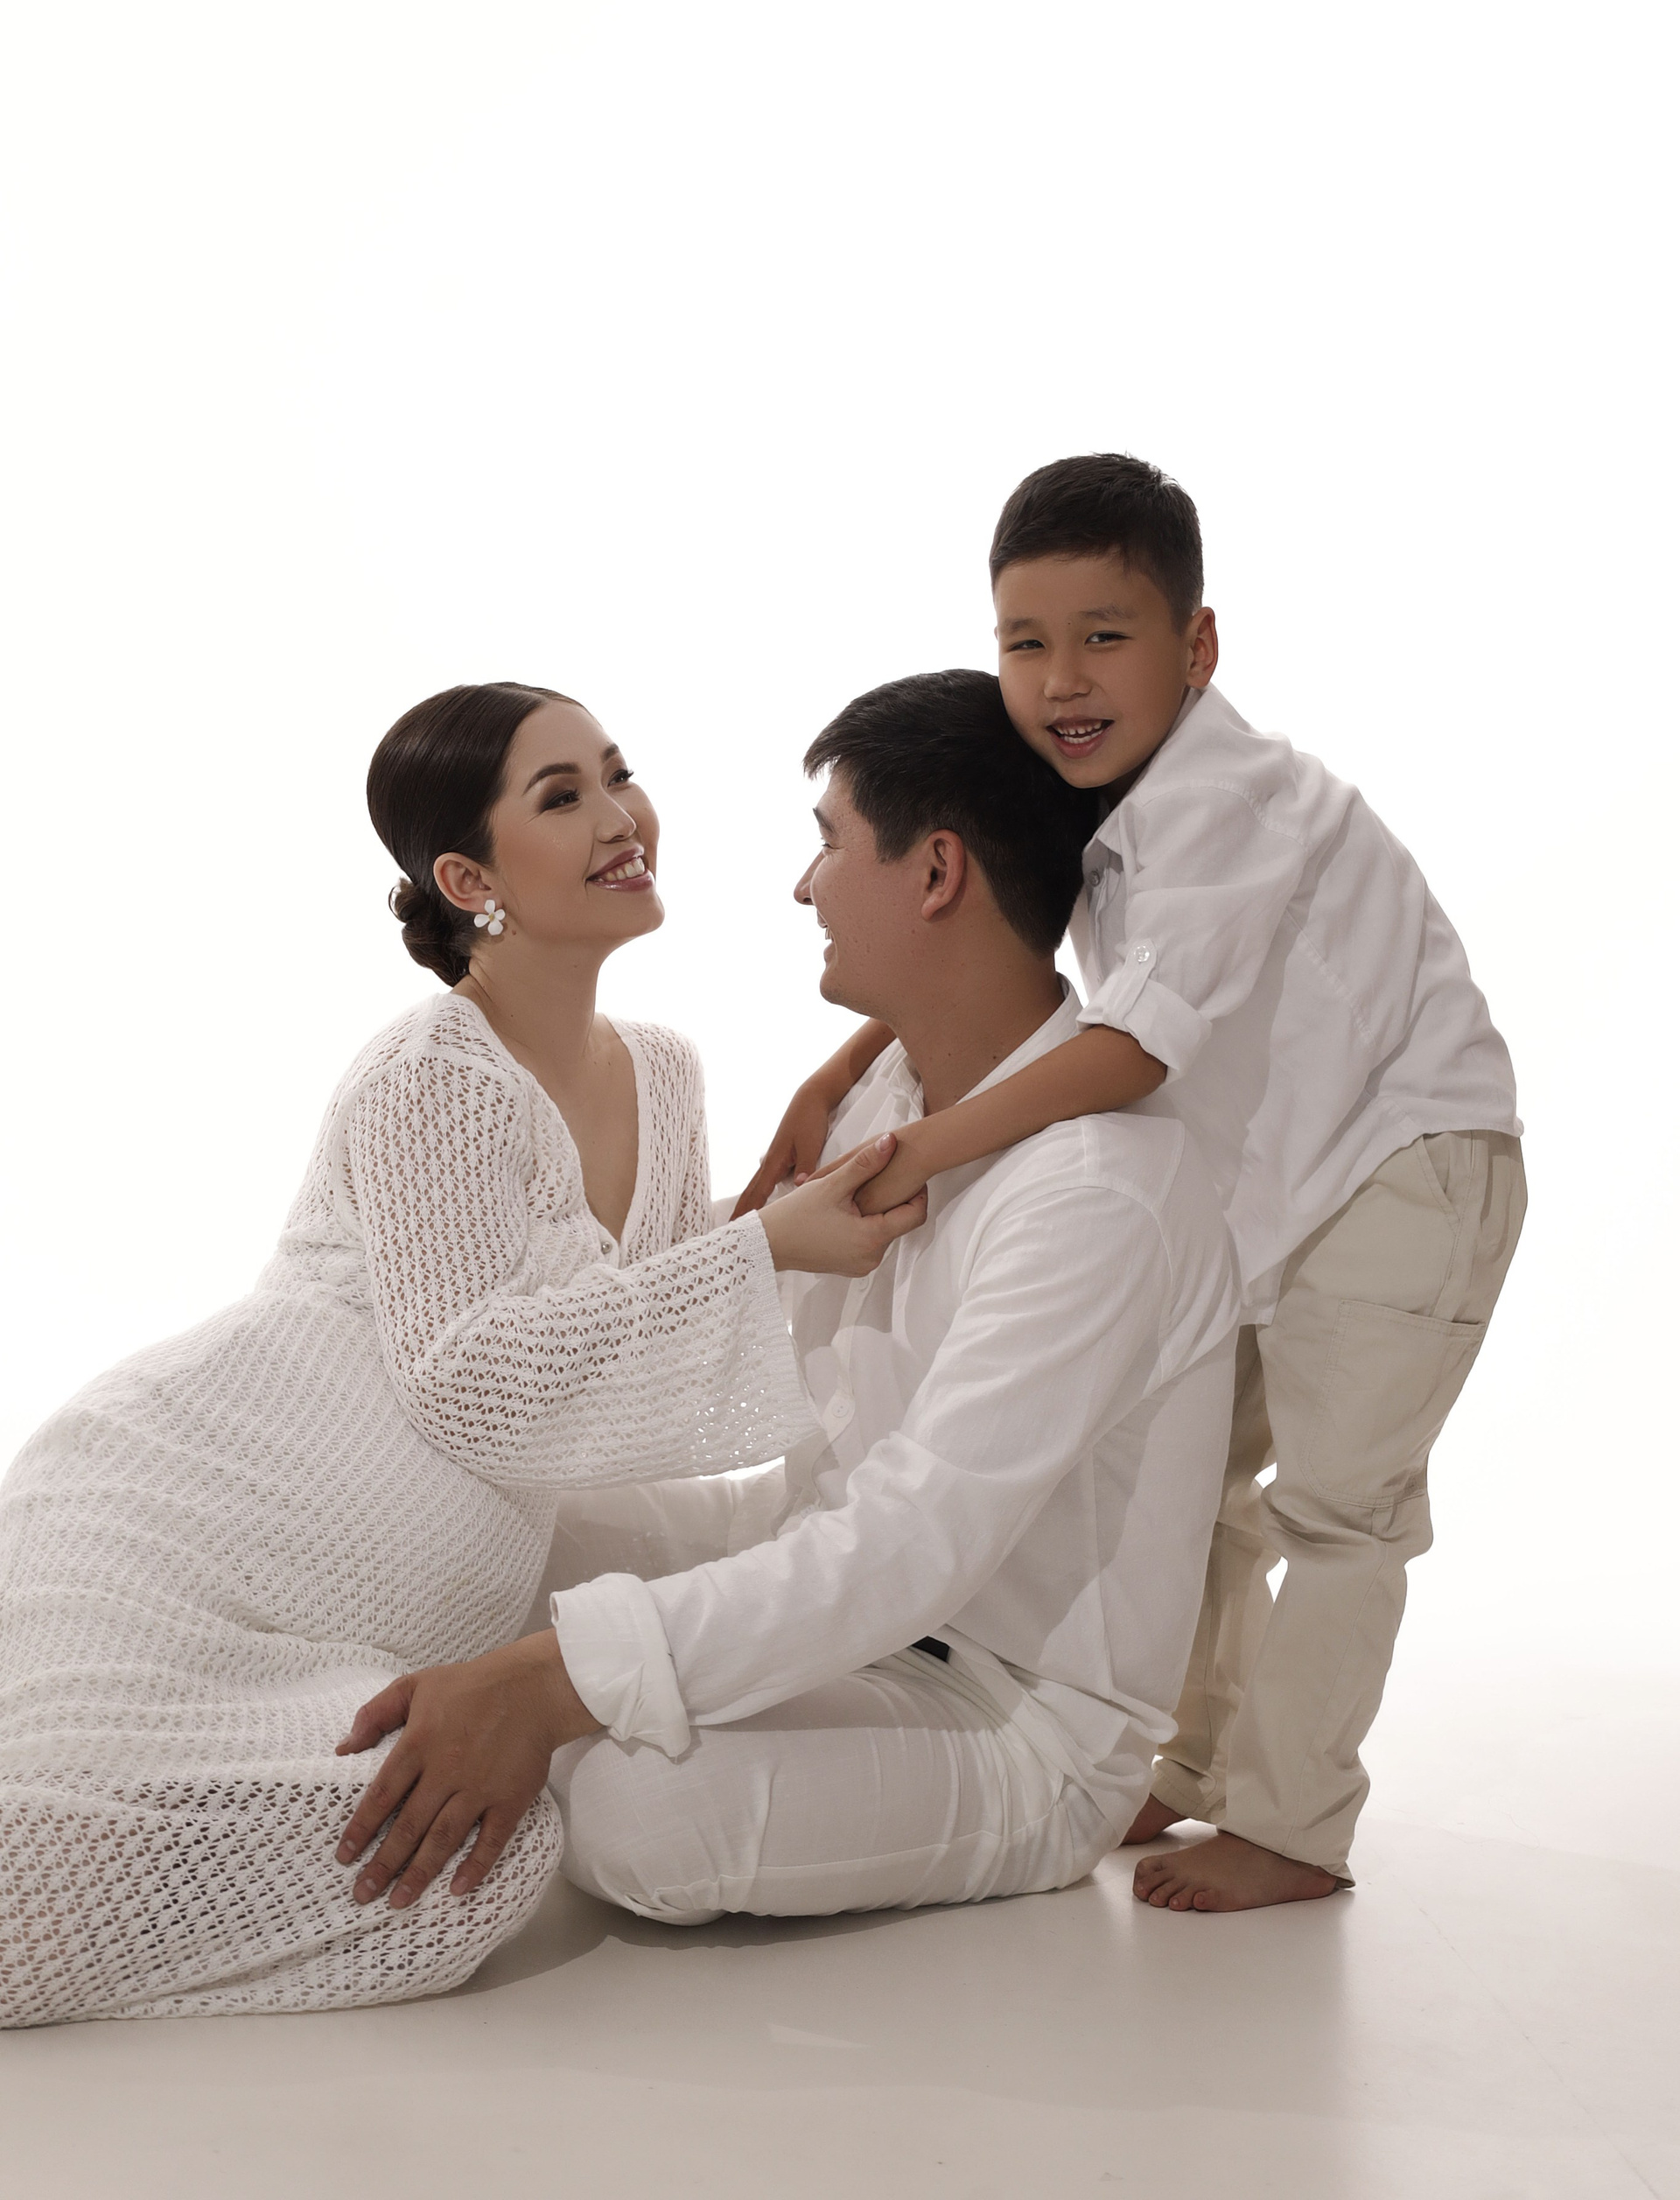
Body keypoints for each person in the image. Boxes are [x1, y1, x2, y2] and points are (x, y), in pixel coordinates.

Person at [0, 681, 918, 2027]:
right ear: (468, 880)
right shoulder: (429, 1071)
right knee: (72, 1849)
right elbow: (471, 1377)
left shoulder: (665, 1072)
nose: (621, 816)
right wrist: (768, 1248)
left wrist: (797, 1167)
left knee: (473, 1863)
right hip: (179, 1532)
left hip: (359, 1621)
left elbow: (626, 1334)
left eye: (618, 774)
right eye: (564, 796)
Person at [739, 456, 1527, 1913]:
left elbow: (1129, 1049)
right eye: (1025, 643)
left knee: (1341, 1510)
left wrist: (912, 1147)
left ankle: (1295, 1825)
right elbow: (1010, 944)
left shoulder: (1225, 797)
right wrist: (837, 1068)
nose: (1062, 681)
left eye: (1105, 636)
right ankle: (1196, 1758)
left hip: (1408, 1167)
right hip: (1283, 1187)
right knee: (1203, 1479)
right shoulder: (1096, 791)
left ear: (1197, 646)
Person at [333, 669, 1241, 1929]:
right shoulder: (885, 1102)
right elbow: (736, 1367)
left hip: (1008, 1715)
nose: (804, 887)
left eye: (829, 843)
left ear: (936, 873)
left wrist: (554, 1684)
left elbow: (909, 1545)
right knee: (462, 1547)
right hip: (820, 1576)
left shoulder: (1097, 1195)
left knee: (630, 1810)